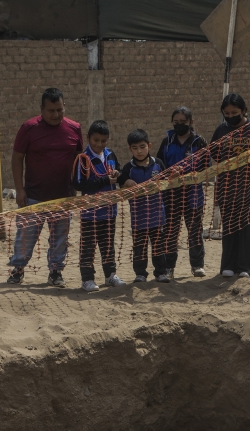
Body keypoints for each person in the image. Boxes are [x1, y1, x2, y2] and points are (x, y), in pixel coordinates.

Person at [7, 87, 83, 287]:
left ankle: (56, 271)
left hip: (63, 197)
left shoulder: (74, 128)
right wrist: (19, 189)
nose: (56, 114)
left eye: (60, 109)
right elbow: (17, 159)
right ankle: (18, 269)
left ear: (64, 106)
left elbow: (79, 159)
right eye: (51, 110)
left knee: (60, 238)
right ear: (41, 109)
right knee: (26, 236)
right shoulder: (29, 128)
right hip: (33, 196)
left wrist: (75, 185)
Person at [209, 93, 250, 278]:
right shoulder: (221, 130)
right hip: (226, 187)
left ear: (243, 110)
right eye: (226, 113)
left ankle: (246, 267)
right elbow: (214, 153)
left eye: (234, 112)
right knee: (229, 226)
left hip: (248, 187)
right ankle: (228, 266)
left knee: (246, 226)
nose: (230, 116)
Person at [71, 120, 127, 292]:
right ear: (88, 138)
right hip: (90, 214)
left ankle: (110, 275)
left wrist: (118, 173)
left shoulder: (110, 155)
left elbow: (117, 171)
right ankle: (87, 279)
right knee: (88, 247)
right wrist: (104, 180)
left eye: (103, 141)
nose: (99, 144)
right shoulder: (83, 159)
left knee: (108, 245)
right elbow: (79, 185)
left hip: (109, 211)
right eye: (95, 140)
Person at [156, 106, 208, 279]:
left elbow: (206, 166)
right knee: (170, 231)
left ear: (191, 122)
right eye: (175, 122)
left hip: (193, 194)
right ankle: (169, 267)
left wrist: (187, 172)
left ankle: (197, 265)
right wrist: (171, 173)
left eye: (183, 122)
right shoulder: (167, 142)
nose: (179, 125)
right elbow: (159, 166)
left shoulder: (199, 142)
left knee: (194, 230)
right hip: (170, 195)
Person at [119, 129, 169, 283]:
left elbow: (167, 180)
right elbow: (121, 184)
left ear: (149, 145)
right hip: (138, 217)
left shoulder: (158, 164)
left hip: (157, 216)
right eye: (135, 148)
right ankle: (140, 274)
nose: (139, 151)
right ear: (130, 149)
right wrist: (126, 183)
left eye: (142, 147)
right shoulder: (128, 168)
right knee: (139, 248)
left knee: (158, 246)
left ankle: (161, 273)